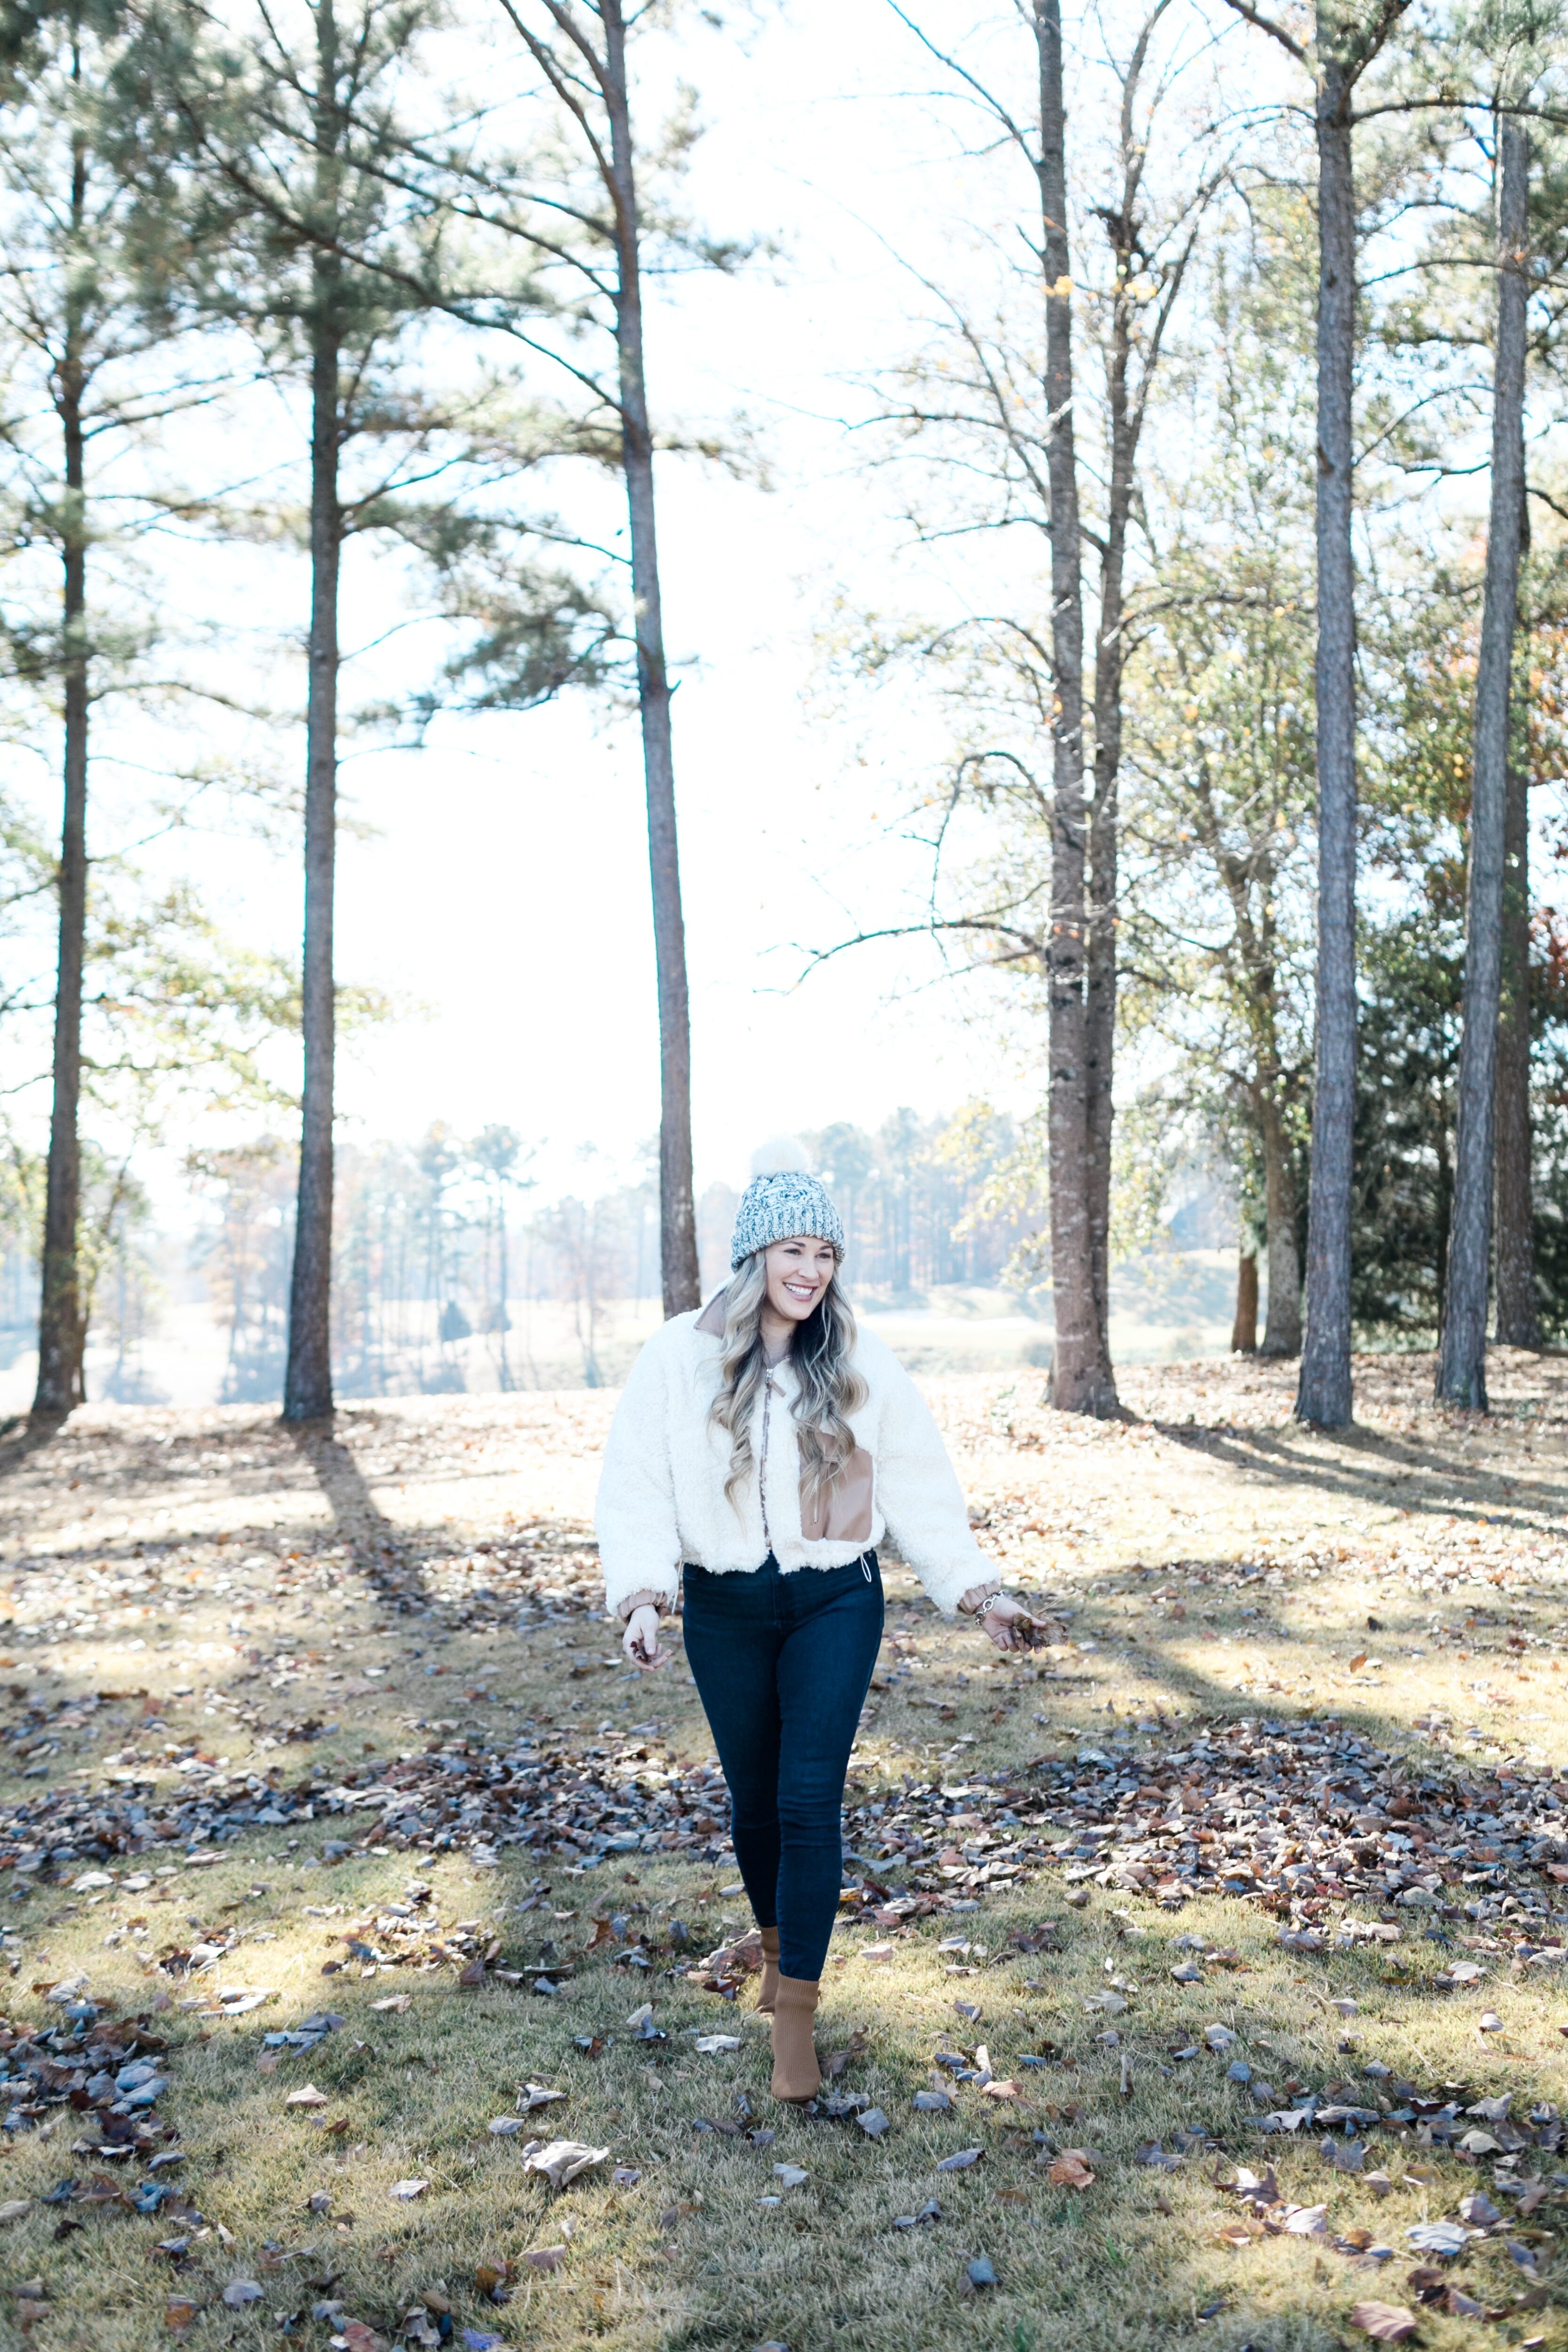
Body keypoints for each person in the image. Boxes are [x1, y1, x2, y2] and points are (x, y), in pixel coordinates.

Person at [595, 1144, 1031, 2102]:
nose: (810, 1270)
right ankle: (775, 1945)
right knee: (753, 1803)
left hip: (836, 1595)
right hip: (726, 1606)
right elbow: (635, 1481)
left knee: (804, 1798)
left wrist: (975, 1590)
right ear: (755, 1256)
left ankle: (796, 2018)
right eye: (793, 1248)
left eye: (825, 1253)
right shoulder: (678, 1355)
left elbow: (917, 1482)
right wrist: (639, 1593)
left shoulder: (855, 1358)